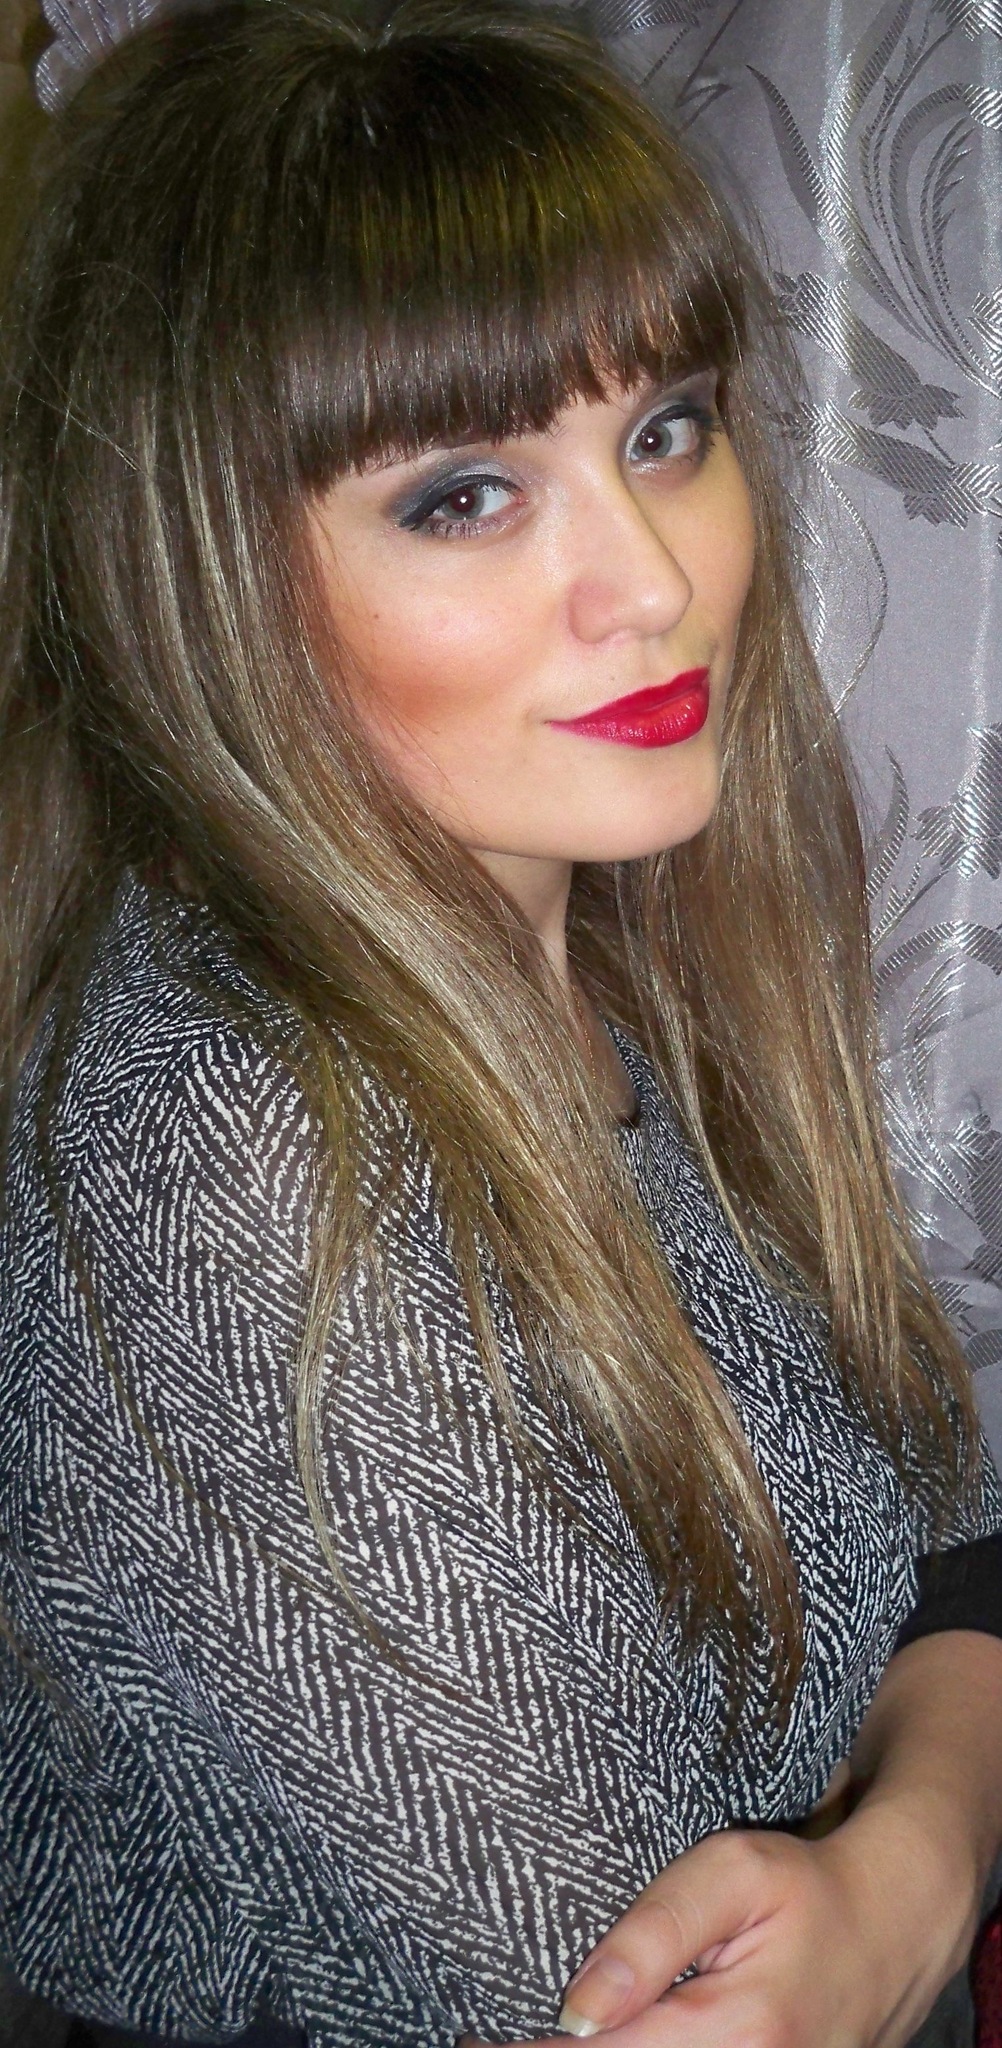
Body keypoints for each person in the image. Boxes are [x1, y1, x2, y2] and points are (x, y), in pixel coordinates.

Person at [1, 3, 1001, 2045]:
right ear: (197, 577)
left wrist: (912, 1863)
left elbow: (944, 1538)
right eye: (462, 493)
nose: (650, 581)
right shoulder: (240, 1163)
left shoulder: (605, 941)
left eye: (664, 430)